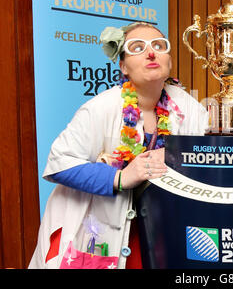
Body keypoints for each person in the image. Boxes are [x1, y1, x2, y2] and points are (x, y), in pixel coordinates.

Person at [29, 22, 208, 269]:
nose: (151, 53)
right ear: (123, 66)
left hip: (160, 228)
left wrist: (177, 158)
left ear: (168, 60)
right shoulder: (100, 108)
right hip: (98, 228)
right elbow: (60, 163)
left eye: (159, 46)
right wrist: (121, 178)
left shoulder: (188, 107)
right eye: (138, 47)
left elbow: (206, 156)